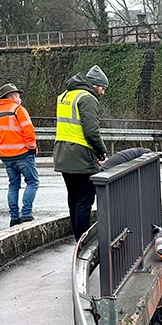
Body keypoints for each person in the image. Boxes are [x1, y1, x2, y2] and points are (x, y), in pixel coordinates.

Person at [53, 65, 109, 240]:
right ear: (94, 85)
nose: (102, 92)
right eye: (102, 88)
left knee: (74, 198)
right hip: (80, 156)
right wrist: (101, 151)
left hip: (62, 155)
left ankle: (77, 238)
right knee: (85, 200)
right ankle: (83, 242)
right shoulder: (87, 98)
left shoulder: (64, 96)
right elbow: (91, 131)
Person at [0, 83, 39, 227]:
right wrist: (31, 147)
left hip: (6, 156)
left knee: (13, 185)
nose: (20, 99)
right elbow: (28, 130)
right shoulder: (18, 110)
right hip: (23, 154)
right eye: (18, 96)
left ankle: (14, 217)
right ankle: (27, 214)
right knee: (32, 182)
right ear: (12, 97)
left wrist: (2, 147)